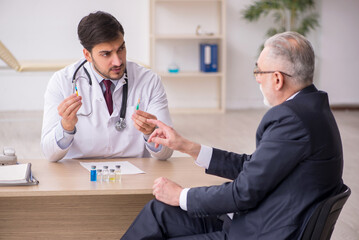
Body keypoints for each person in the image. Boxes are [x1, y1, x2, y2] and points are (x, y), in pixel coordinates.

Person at [121, 32, 344, 239]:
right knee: (158, 211)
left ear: (277, 79)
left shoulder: (291, 119)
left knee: (167, 209)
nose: (257, 78)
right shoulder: (312, 108)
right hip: (255, 219)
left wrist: (180, 195)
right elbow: (255, 168)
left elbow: (243, 192)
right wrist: (186, 146)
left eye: (259, 71)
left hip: (257, 231)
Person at [41, 11, 173, 162]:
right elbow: (49, 154)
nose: (117, 61)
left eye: (121, 49)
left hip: (136, 175)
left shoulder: (149, 81)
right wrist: (66, 127)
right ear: (87, 55)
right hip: (79, 177)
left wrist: (151, 133)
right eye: (106, 54)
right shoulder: (62, 82)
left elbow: (166, 153)